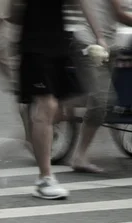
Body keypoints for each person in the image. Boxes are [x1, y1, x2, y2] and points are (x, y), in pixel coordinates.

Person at [12, 0, 105, 200]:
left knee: (71, 101)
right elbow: (12, 11)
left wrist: (99, 35)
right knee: (48, 105)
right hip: (35, 44)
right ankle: (45, 178)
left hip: (60, 43)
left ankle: (33, 129)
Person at [70, 0, 132, 173]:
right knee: (101, 100)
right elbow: (120, 14)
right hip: (90, 44)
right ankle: (79, 156)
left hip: (110, 45)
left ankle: (58, 107)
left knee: (107, 99)